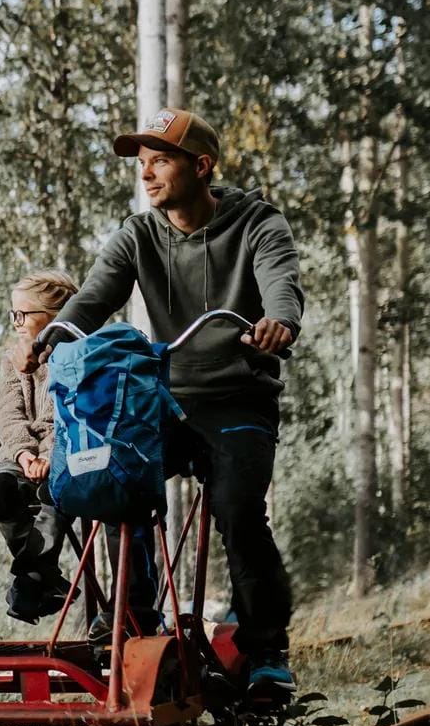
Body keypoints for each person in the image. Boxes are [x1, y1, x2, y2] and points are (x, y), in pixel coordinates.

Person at [32, 107, 304, 695]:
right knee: (114, 482)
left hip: (238, 399)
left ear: (201, 166)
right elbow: (93, 297)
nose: (147, 174)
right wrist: (52, 336)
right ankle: (135, 622)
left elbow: (280, 282)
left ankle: (266, 652)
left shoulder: (258, 223)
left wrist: (279, 320)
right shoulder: (139, 234)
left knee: (238, 512)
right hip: (165, 399)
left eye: (160, 161)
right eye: (142, 163)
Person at [0, 269, 80, 621]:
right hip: (23, 454)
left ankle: (30, 582)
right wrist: (25, 453)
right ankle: (45, 577)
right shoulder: (12, 362)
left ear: (55, 318)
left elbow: (71, 418)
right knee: (1, 489)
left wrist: (49, 456)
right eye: (13, 314)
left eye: (22, 315)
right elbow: (7, 413)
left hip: (66, 456)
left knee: (54, 492)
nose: (16, 323)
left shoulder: (79, 357)